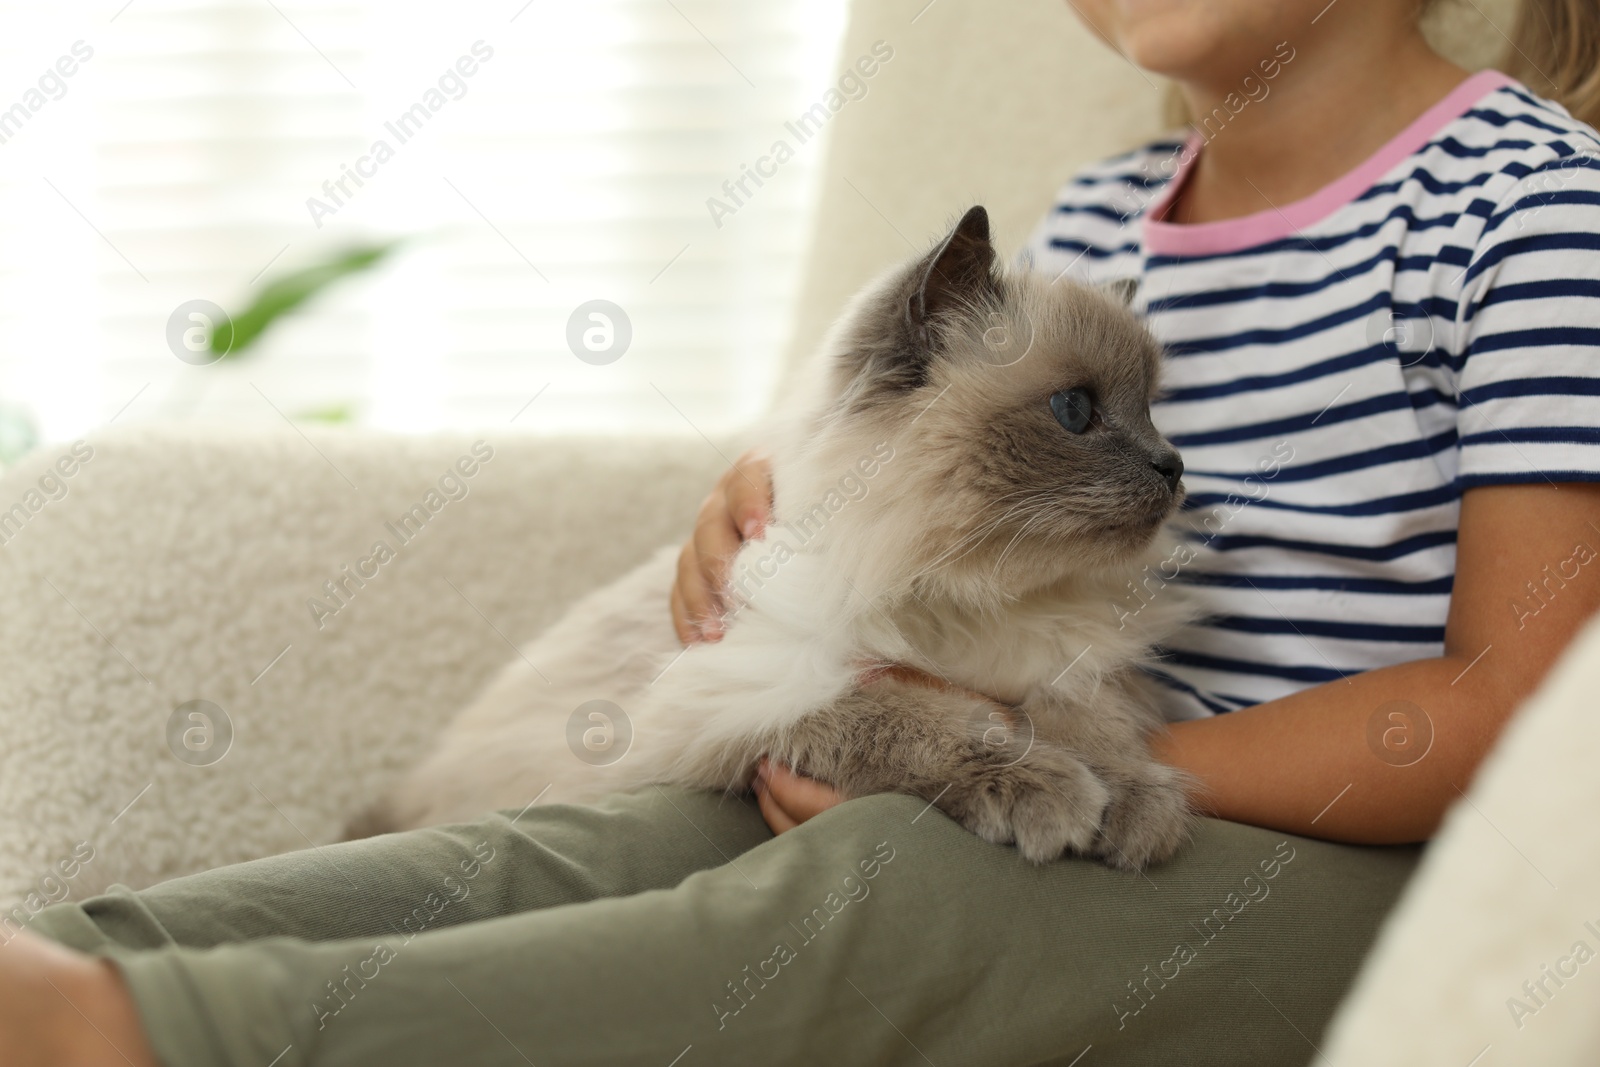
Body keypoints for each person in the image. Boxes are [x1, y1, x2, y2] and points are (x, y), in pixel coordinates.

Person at [8, 1, 1600, 1064]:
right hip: (1062, 779)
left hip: (1366, 887)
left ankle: (136, 1035)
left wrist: (1070, 762)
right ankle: (71, 955)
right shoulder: (1102, 217)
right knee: (616, 843)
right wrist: (776, 507)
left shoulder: (1532, 210)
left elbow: (1519, 716)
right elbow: (935, 510)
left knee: (873, 907)